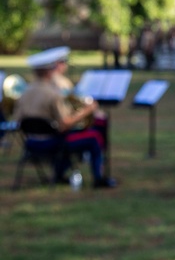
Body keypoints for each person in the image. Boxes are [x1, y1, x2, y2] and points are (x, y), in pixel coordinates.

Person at [13, 46, 117, 188]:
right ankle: (98, 179)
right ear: (50, 71)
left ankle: (59, 174)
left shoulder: (24, 92)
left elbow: (17, 120)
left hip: (30, 142)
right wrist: (86, 111)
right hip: (51, 143)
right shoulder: (53, 94)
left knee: (69, 138)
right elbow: (64, 124)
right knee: (94, 137)